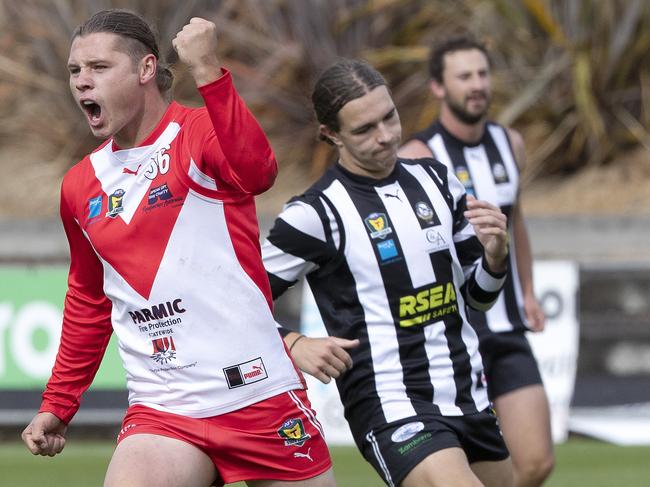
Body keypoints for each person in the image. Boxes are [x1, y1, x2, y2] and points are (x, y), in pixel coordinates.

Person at [20, 9, 335, 487]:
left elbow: (258, 172)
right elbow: (88, 299)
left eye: (99, 68)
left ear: (146, 70)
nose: (83, 82)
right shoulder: (79, 186)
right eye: (75, 71)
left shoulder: (198, 133)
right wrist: (58, 404)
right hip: (163, 408)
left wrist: (209, 71)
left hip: (258, 392)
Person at [262, 58, 513, 487]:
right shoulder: (315, 214)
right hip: (390, 403)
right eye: (364, 130)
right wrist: (293, 342)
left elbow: (476, 298)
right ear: (331, 135)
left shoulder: (437, 180)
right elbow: (237, 299)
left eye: (389, 118)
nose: (385, 136)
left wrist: (495, 257)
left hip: (467, 392)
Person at [398, 36, 554, 487]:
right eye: (464, 76)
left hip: (504, 326)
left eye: (482, 74)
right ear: (438, 88)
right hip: (454, 331)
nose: (477, 85)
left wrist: (526, 290)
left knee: (537, 461)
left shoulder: (511, 143)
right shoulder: (418, 155)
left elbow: (516, 220)